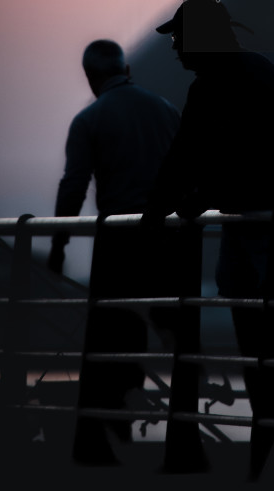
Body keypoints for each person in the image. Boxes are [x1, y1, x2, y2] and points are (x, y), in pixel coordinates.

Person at [143, 0, 274, 480]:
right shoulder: (210, 88)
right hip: (249, 227)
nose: (175, 49)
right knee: (261, 345)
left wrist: (198, 196)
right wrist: (157, 210)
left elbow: (259, 159)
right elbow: (184, 156)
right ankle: (273, 453)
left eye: (179, 38)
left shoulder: (250, 78)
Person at [48, 39, 180, 464]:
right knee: (164, 336)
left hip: (118, 241)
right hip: (166, 240)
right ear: (126, 67)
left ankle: (95, 439)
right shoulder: (165, 110)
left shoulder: (90, 118)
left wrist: (58, 243)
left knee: (106, 340)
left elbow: (73, 187)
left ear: (91, 77)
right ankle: (165, 433)